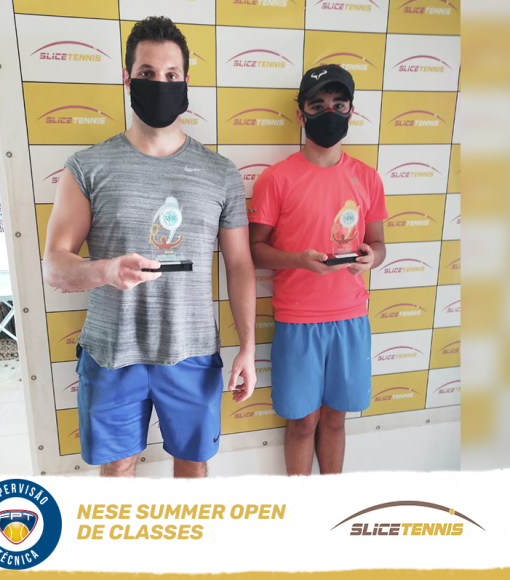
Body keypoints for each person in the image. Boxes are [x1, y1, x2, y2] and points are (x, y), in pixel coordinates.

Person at [43, 16, 256, 479]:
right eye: (147, 73)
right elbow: (54, 265)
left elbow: (240, 264)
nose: (160, 83)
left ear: (185, 81)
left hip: (193, 352)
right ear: (127, 77)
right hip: (112, 351)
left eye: (171, 74)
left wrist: (247, 346)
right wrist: (105, 271)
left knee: (193, 468)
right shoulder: (87, 166)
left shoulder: (220, 172)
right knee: (117, 470)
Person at [248, 64, 387, 476]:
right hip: (298, 320)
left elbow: (379, 244)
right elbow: (254, 251)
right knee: (303, 422)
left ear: (350, 111)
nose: (329, 112)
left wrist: (372, 257)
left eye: (338, 105)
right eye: (318, 104)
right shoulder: (276, 179)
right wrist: (297, 260)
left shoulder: (368, 178)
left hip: (351, 318)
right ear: (301, 113)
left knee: (335, 420)